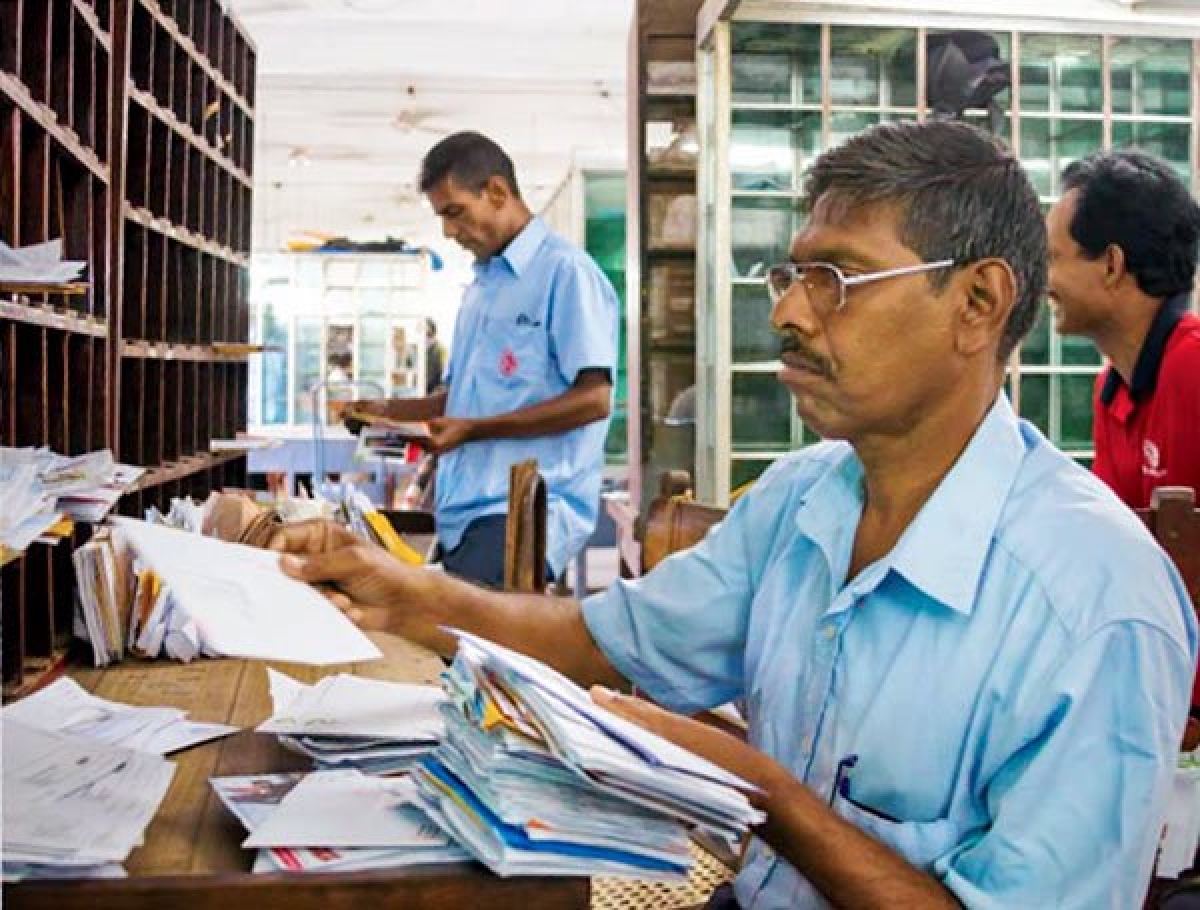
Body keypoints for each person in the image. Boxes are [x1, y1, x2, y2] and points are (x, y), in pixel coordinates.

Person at [271, 121, 1196, 909]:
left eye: (835, 278)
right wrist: (403, 596)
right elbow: (606, 640)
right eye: (787, 276)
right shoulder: (803, 499)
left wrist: (768, 797)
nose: (788, 314)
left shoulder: (1095, 604)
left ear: (978, 303)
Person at [345, 131, 619, 588]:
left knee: (448, 637)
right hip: (464, 512)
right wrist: (384, 413)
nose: (449, 231)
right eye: (442, 218)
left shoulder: (565, 273)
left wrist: (474, 430)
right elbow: (458, 400)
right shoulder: (482, 288)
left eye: (455, 213)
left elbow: (594, 400)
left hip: (523, 512)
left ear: (496, 192)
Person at [1046, 148, 1200, 511]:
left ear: (1112, 265)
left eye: (1052, 258)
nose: (1040, 281)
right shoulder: (1112, 390)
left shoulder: (1193, 368)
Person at [423, 317, 446, 394]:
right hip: (421, 391)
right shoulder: (419, 351)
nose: (425, 337)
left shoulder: (440, 350)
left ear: (434, 333)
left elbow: (444, 376)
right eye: (423, 334)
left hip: (434, 393)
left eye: (428, 334)